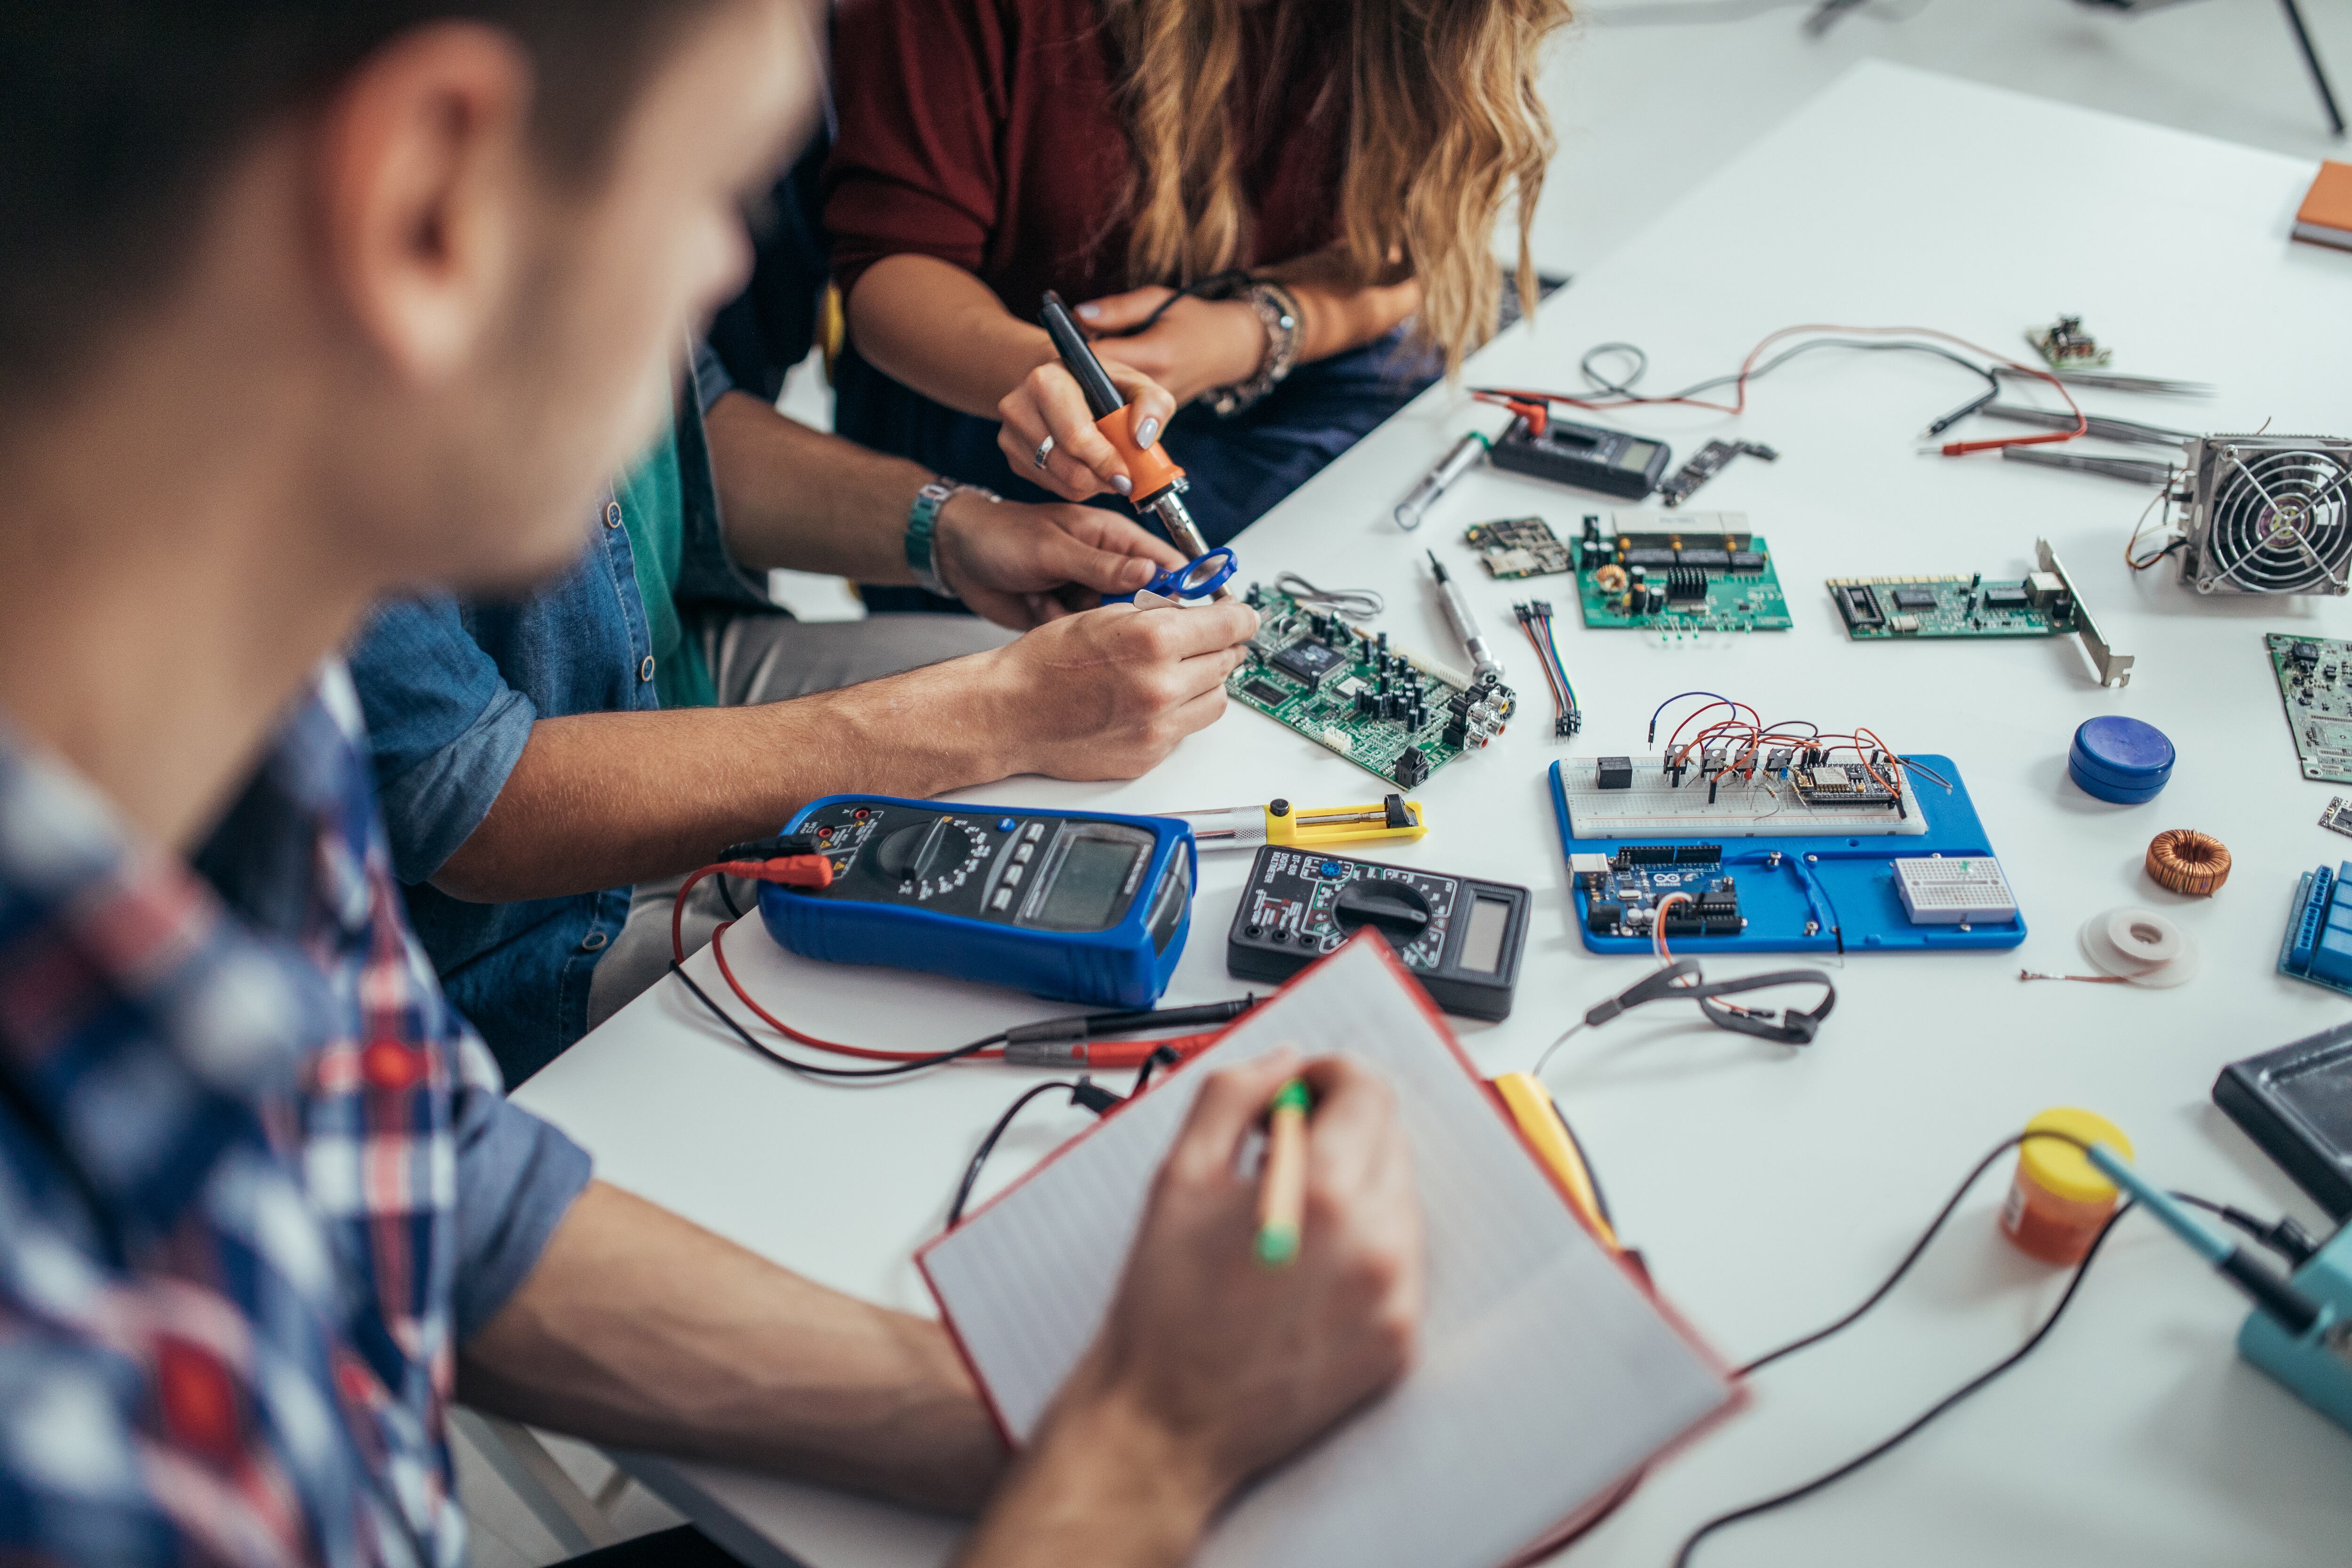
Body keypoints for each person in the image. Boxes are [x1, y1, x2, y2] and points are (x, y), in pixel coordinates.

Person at [0, 10, 1422, 1568]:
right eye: (711, 194)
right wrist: (1145, 1455)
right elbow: (480, 820)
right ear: (427, 205)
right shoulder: (72, 1432)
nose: (727, 282)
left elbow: (430, 1196)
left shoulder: (248, 746)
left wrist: (1044, 1410)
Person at [350, 340, 1255, 1084]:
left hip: (694, 669)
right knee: (990, 1050)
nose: (734, 261)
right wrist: (999, 711)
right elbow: (471, 804)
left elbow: (689, 418)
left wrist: (952, 529)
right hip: (527, 932)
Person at [823, 0, 1575, 549]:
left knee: (1439, 524)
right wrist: (1044, 375)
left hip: (1303, 369)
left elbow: (1410, 258)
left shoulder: (1444, 19)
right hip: (1006, 415)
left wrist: (1252, 331)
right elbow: (889, 277)